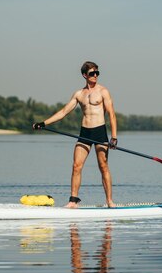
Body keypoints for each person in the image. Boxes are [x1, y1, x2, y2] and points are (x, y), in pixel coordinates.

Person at [33, 61, 118, 208]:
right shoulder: (79, 94)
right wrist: (44, 123)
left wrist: (114, 136)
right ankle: (73, 201)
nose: (95, 76)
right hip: (85, 132)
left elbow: (111, 115)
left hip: (99, 131)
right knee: (76, 166)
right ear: (85, 75)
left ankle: (110, 201)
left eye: (97, 73)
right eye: (92, 73)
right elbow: (64, 112)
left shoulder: (103, 91)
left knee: (103, 166)